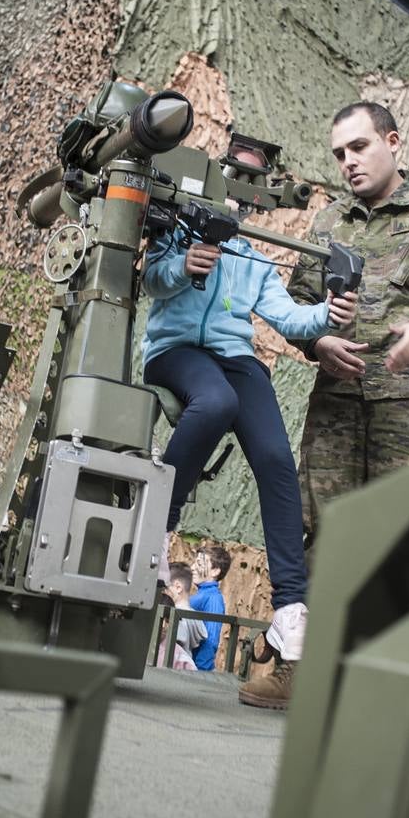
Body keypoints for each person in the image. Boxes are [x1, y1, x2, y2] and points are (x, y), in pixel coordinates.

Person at [239, 101, 409, 708]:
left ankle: (395, 688)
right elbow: (297, 305)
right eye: (339, 153)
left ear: (392, 142)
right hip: (337, 403)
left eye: (358, 147)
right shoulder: (328, 224)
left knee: (401, 534)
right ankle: (302, 672)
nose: (348, 161)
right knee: (324, 533)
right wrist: (318, 342)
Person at [141, 144, 355, 691]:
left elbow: (285, 316)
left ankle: (290, 609)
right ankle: (154, 532)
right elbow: (150, 278)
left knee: (276, 459)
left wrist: (329, 313)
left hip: (235, 357)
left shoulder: (255, 257)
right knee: (216, 403)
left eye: (253, 181)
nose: (242, 189)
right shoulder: (182, 226)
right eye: (236, 172)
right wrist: (182, 265)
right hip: (178, 350)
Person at [156, 562, 208, 671]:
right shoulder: (195, 617)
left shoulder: (178, 618)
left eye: (165, 587)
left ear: (178, 587)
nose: (163, 591)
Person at [187, 544, 230, 672]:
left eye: (200, 564)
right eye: (195, 562)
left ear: (215, 571)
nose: (192, 568)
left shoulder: (213, 598)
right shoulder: (202, 594)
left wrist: (200, 670)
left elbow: (211, 639)